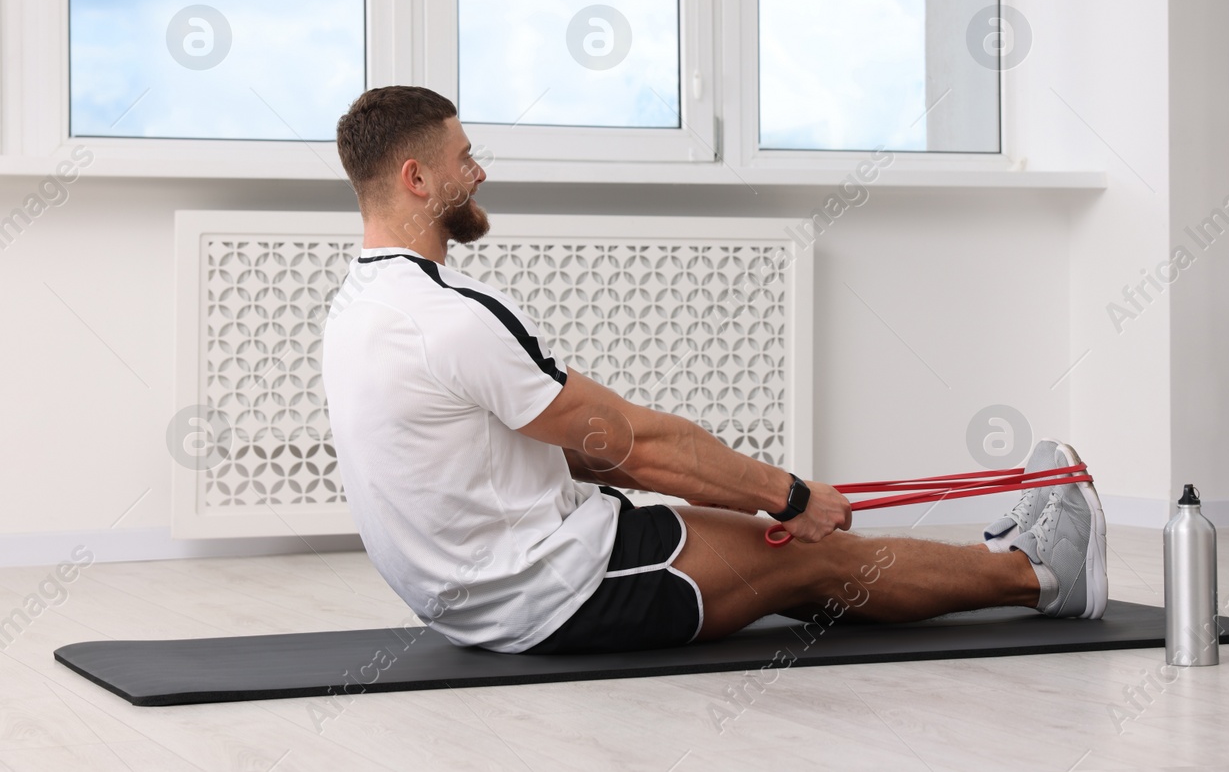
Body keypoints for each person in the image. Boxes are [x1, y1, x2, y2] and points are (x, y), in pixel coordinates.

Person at [323, 86, 1107, 655]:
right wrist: (791, 496)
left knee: (787, 565)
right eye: (465, 158)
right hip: (545, 589)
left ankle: (1013, 568)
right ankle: (1042, 576)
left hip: (466, 595)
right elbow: (638, 445)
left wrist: (725, 493)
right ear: (416, 179)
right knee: (812, 555)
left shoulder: (359, 305)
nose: (480, 174)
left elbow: (545, 445)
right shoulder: (450, 317)